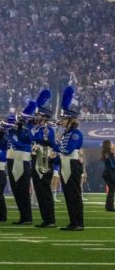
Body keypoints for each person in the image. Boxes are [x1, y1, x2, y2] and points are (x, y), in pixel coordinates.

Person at [56, 88, 84, 231]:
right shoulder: (67, 132)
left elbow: (67, 149)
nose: (61, 121)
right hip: (66, 163)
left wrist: (56, 144)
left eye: (64, 119)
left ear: (71, 120)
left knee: (74, 194)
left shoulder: (76, 133)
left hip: (72, 163)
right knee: (68, 194)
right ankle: (73, 221)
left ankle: (78, 223)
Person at [102, 139, 115, 213]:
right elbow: (113, 165)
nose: (112, 144)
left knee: (111, 190)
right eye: (111, 143)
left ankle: (109, 206)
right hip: (110, 173)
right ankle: (110, 207)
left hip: (107, 173)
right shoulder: (109, 153)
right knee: (112, 190)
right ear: (108, 145)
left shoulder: (105, 152)